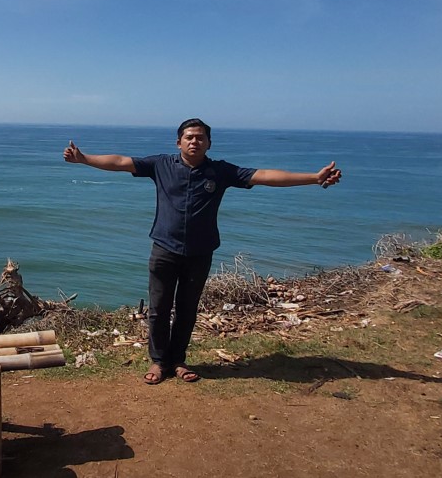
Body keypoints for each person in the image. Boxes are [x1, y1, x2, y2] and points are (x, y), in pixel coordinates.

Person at [63, 118, 341, 385]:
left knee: (187, 310)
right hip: (164, 249)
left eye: (200, 137)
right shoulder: (161, 165)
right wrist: (84, 158)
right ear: (178, 142)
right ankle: (159, 362)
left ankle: (178, 361)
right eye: (189, 137)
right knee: (158, 309)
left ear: (209, 143)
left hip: (200, 252)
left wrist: (313, 178)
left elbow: (265, 176)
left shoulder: (220, 171)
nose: (194, 141)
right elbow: (122, 162)